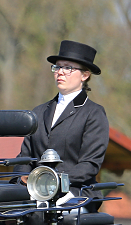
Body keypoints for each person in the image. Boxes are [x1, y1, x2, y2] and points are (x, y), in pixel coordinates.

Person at [16, 40, 109, 209]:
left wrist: (50, 181)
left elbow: (89, 165)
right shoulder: (38, 111)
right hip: (36, 192)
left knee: (46, 212)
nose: (60, 72)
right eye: (57, 67)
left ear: (85, 75)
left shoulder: (94, 113)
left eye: (68, 68)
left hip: (75, 192)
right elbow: (24, 157)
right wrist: (21, 179)